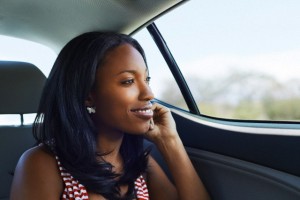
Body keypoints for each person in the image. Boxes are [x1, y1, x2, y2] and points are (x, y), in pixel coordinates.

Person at [10, 32, 210, 200]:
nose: (149, 93)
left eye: (146, 79)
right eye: (128, 81)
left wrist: (170, 141)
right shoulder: (43, 163)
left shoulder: (139, 164)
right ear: (88, 95)